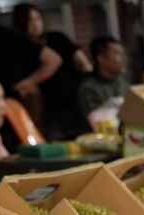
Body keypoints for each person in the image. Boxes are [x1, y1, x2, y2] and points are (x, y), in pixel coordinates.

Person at [12, 3, 91, 138]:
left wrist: (88, 83)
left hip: (74, 97)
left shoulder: (56, 38)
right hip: (51, 106)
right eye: (29, 20)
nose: (35, 24)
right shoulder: (22, 49)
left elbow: (83, 61)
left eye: (37, 19)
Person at [77, 35, 130, 121]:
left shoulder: (123, 82)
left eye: (123, 54)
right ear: (101, 58)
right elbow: (97, 121)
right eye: (117, 54)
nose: (124, 59)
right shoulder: (89, 88)